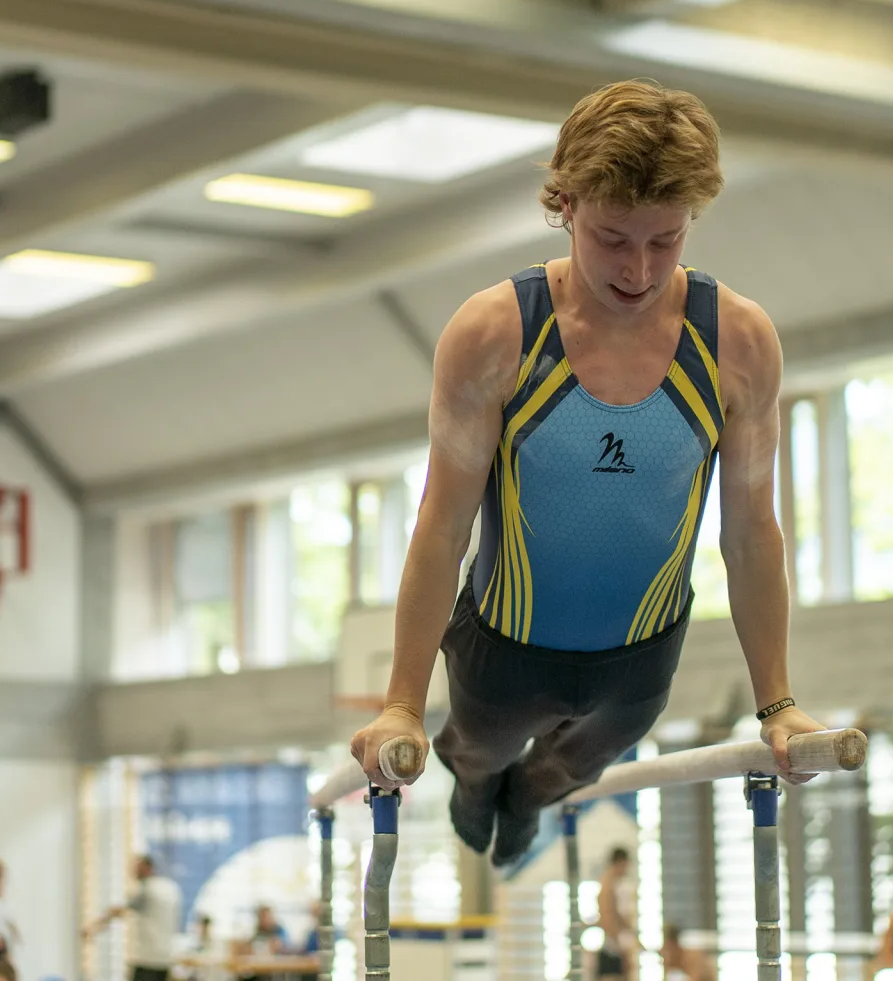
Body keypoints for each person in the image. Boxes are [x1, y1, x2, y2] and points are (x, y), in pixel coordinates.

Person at [351, 77, 825, 866]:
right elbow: (442, 524)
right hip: (501, 651)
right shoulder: (499, 332)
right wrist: (401, 703)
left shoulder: (737, 342)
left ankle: (531, 797)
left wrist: (778, 704)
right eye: (613, 238)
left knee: (571, 769)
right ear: (565, 202)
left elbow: (751, 534)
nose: (639, 269)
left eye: (664, 240)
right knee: (476, 754)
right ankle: (479, 787)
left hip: (642, 657)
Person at [83, 854, 183, 981]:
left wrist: (93, 928)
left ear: (147, 868)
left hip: (148, 959)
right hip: (166, 958)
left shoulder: (147, 890)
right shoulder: (169, 887)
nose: (133, 872)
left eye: (136, 867)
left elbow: (118, 911)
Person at [596, 847, 635, 980]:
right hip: (613, 946)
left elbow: (617, 915)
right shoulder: (607, 885)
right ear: (619, 863)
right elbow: (607, 917)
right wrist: (620, 947)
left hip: (617, 943)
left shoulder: (615, 884)